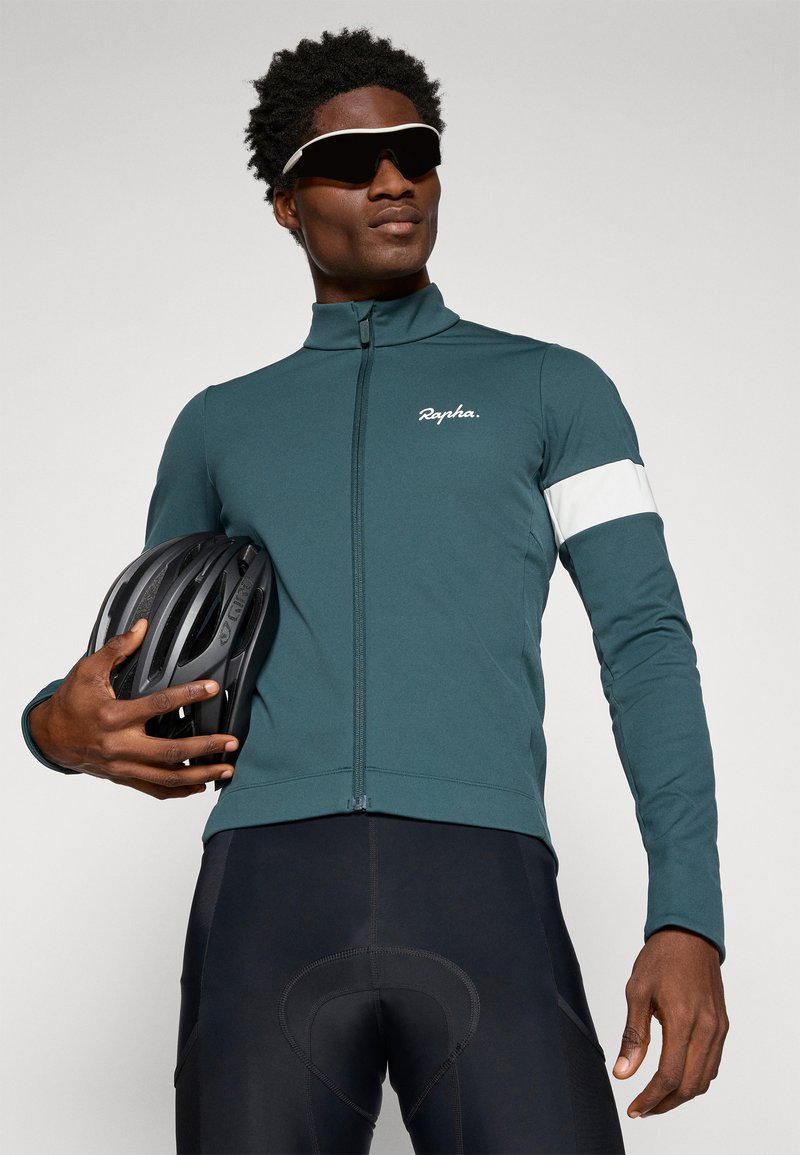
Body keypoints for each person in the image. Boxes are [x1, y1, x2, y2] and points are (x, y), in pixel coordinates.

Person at [21, 26, 729, 1155]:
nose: (393, 179)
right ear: (286, 204)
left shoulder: (554, 389)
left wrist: (687, 913)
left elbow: (644, 640)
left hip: (485, 891)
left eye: (415, 153)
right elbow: (150, 670)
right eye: (351, 162)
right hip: (265, 901)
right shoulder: (218, 425)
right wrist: (52, 729)